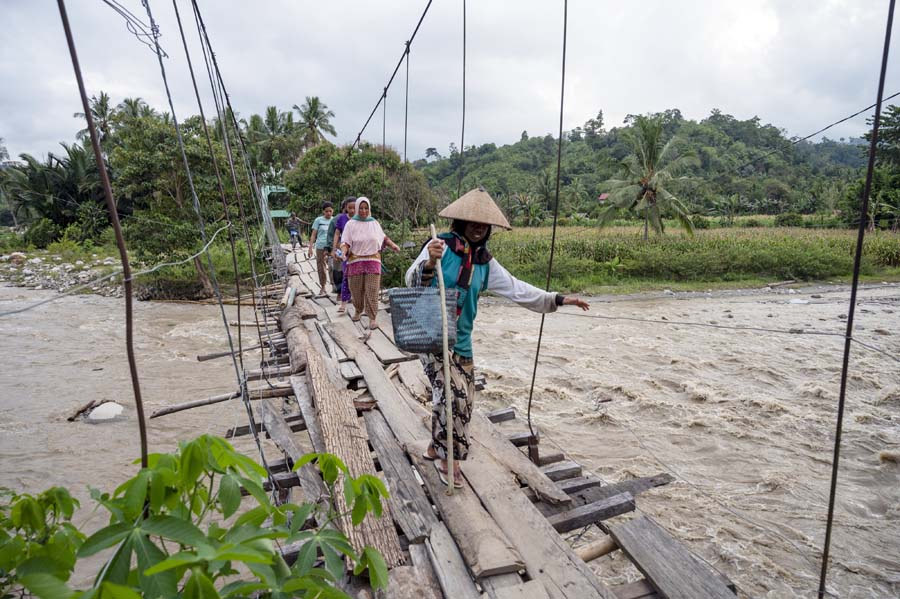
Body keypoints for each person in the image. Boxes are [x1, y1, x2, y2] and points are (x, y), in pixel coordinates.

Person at [405, 187, 589, 488]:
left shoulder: (484, 262)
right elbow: (410, 279)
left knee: (455, 397)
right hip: (432, 336)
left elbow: (518, 290)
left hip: (461, 340)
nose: (478, 228)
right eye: (473, 222)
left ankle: (433, 447)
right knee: (455, 399)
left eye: (484, 224)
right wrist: (428, 264)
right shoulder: (440, 246)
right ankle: (449, 462)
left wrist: (558, 299)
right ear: (461, 222)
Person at [339, 197, 400, 332]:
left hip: (373, 261)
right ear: (356, 209)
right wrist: (343, 252)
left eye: (366, 208)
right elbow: (345, 242)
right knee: (356, 290)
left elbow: (383, 238)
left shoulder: (374, 223)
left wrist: (393, 246)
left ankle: (372, 318)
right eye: (361, 208)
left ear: (369, 209)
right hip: (355, 261)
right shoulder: (351, 224)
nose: (363, 211)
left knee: (372, 290)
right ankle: (358, 309)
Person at [328, 197, 356, 307]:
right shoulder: (341, 219)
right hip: (343, 248)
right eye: (350, 208)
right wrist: (334, 249)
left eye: (354, 208)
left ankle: (353, 294)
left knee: (354, 272)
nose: (352, 210)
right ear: (345, 208)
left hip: (357, 250)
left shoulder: (362, 218)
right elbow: (336, 234)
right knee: (340, 270)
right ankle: (341, 293)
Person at [308, 202, 334, 294]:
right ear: (323, 211)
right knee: (321, 267)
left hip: (331, 246)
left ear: (333, 211)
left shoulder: (334, 220)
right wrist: (310, 248)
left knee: (332, 266)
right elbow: (313, 234)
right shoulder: (318, 220)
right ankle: (323, 287)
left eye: (330, 211)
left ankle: (334, 285)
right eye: (326, 211)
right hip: (320, 246)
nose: (328, 213)